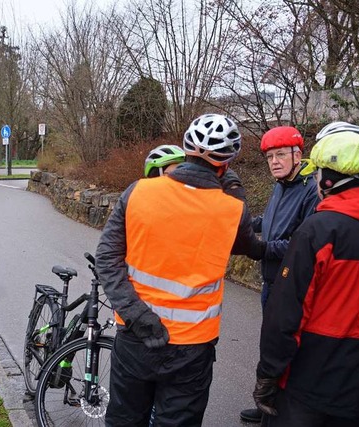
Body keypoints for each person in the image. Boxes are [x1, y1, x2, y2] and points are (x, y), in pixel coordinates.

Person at [96, 113, 267, 426]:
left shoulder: (138, 192)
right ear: (226, 163)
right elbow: (249, 246)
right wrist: (234, 187)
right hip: (192, 348)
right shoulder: (230, 210)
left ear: (185, 151)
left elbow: (107, 258)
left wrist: (136, 314)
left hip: (137, 336)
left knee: (124, 421)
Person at [252, 130, 359, 427]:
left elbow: (286, 315)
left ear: (329, 179)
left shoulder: (317, 231)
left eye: (319, 173)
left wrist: (268, 373)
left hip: (309, 380)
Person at [240, 126, 319, 423]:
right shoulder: (280, 186)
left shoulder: (310, 190)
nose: (274, 161)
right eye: (270, 156)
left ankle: (277, 409)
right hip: (270, 280)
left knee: (284, 347)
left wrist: (260, 249)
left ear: (298, 155)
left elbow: (301, 243)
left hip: (289, 283)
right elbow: (270, 221)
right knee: (269, 344)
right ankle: (266, 401)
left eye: (280, 154)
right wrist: (247, 225)